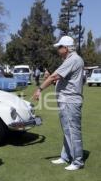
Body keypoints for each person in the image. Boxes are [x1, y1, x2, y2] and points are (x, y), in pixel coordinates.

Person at [33, 36, 85, 171]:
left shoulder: (73, 59)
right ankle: (66, 156)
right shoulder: (71, 60)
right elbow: (61, 79)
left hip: (70, 101)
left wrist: (40, 89)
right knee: (67, 130)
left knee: (72, 131)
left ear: (66, 48)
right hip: (66, 100)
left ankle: (78, 161)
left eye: (59, 47)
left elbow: (55, 76)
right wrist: (54, 80)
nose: (58, 49)